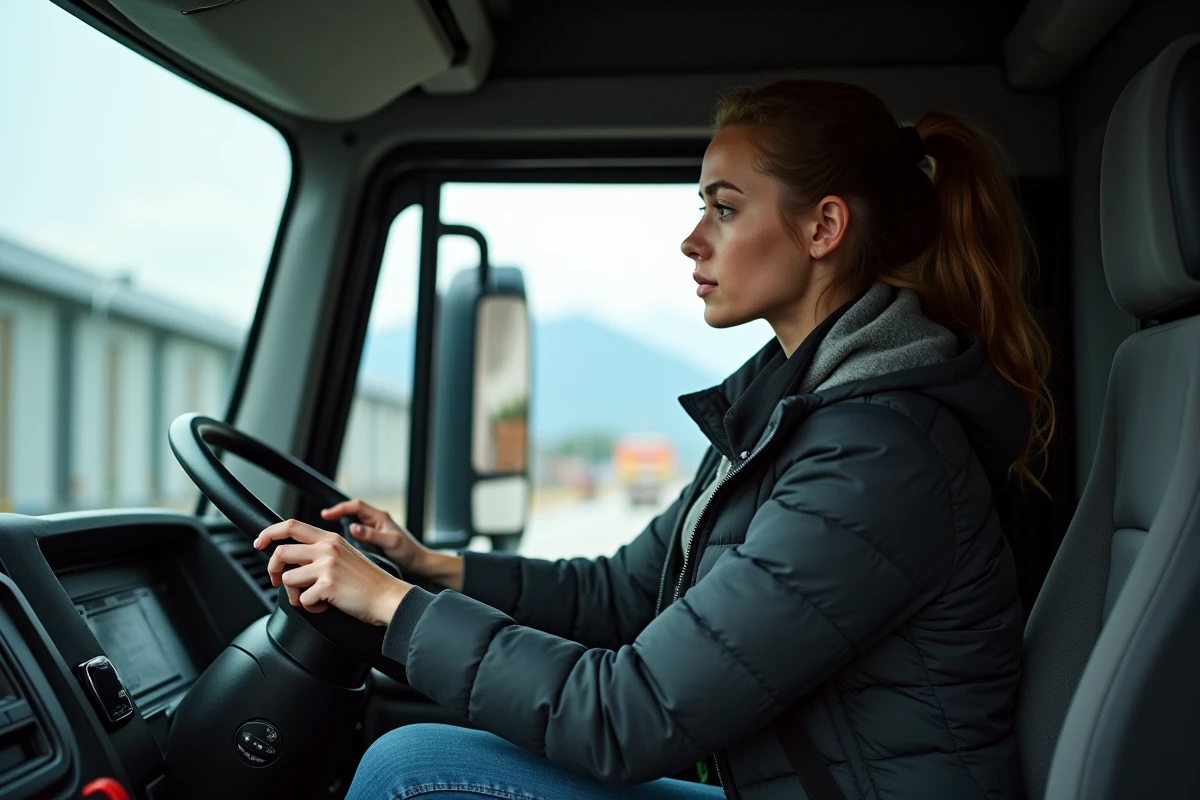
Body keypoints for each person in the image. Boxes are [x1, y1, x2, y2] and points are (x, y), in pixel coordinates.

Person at [254, 79, 1053, 800]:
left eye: (725, 208)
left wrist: (393, 605)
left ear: (824, 227)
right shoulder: (787, 414)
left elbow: (627, 715)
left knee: (412, 771)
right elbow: (625, 594)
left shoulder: (876, 457)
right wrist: (430, 566)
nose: (692, 239)